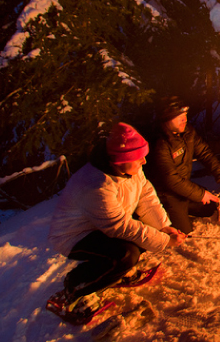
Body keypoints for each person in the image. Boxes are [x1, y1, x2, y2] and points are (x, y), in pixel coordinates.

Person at [46, 122, 186, 324]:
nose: (144, 161)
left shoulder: (131, 170)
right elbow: (121, 227)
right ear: (120, 160)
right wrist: (163, 240)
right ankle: (77, 286)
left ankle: (116, 272)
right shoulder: (95, 185)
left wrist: (162, 227)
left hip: (101, 226)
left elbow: (146, 196)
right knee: (126, 254)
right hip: (74, 236)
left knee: (144, 236)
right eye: (139, 158)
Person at [146, 96, 220, 234]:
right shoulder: (160, 143)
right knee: (184, 232)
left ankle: (186, 206)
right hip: (166, 194)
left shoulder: (187, 132)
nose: (184, 119)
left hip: (183, 188)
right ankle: (164, 212)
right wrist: (200, 194)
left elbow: (205, 153)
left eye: (185, 115)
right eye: (179, 117)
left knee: (211, 207)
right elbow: (171, 179)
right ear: (166, 119)